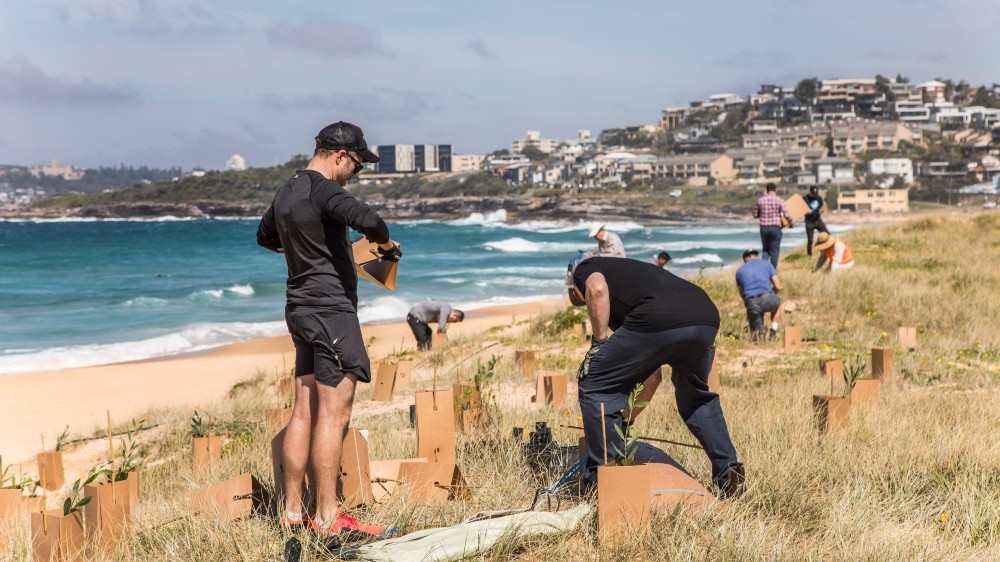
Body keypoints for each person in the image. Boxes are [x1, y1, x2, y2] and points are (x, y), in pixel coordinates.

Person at [256, 121, 401, 537]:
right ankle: (329, 518)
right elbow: (371, 220)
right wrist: (387, 248)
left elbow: (265, 236)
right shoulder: (323, 189)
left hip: (298, 309)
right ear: (340, 156)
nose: (356, 174)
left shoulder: (287, 190)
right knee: (334, 415)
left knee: (303, 411)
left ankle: (293, 513)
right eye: (357, 165)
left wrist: (306, 244)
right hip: (331, 311)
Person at [566, 254, 744, 497]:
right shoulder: (631, 282)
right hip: (705, 314)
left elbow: (596, 289)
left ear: (574, 284)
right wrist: (624, 424)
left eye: (579, 298)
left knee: (595, 383)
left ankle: (603, 480)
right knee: (695, 396)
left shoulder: (586, 267)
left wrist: (598, 344)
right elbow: (651, 377)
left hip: (659, 315)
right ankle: (729, 472)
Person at [735, 249, 783, 342]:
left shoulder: (739, 271)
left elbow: (742, 293)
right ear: (755, 256)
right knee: (778, 305)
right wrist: (772, 294)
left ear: (747, 258)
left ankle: (758, 333)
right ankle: (773, 332)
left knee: (755, 336)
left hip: (751, 301)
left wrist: (748, 302)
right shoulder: (767, 264)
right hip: (767, 297)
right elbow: (777, 286)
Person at [752, 182, 793, 269]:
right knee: (774, 251)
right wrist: (791, 222)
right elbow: (786, 213)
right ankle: (773, 272)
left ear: (767, 190)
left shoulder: (760, 200)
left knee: (765, 250)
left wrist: (762, 214)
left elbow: (755, 214)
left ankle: (764, 270)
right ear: (775, 190)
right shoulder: (779, 200)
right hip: (775, 227)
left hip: (764, 228)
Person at [803, 185, 830, 256]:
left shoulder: (818, 198)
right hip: (809, 222)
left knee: (827, 234)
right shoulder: (805, 199)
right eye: (813, 194)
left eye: (815, 194)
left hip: (818, 220)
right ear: (810, 192)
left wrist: (821, 210)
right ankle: (809, 255)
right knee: (810, 240)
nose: (814, 195)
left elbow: (822, 206)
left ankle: (829, 250)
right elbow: (801, 209)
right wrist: (806, 211)